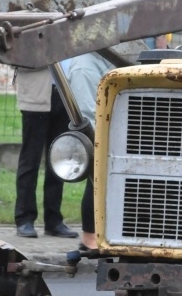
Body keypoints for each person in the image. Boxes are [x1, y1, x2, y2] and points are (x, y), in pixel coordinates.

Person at [14, 67, 79, 239]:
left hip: (65, 92)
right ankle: (24, 218)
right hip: (36, 92)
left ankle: (53, 220)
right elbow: (10, 53)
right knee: (30, 159)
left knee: (58, 160)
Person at [64, 52, 116, 250]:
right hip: (99, 135)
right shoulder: (83, 67)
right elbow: (87, 113)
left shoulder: (108, 58)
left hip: (115, 131)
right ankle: (89, 239)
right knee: (96, 183)